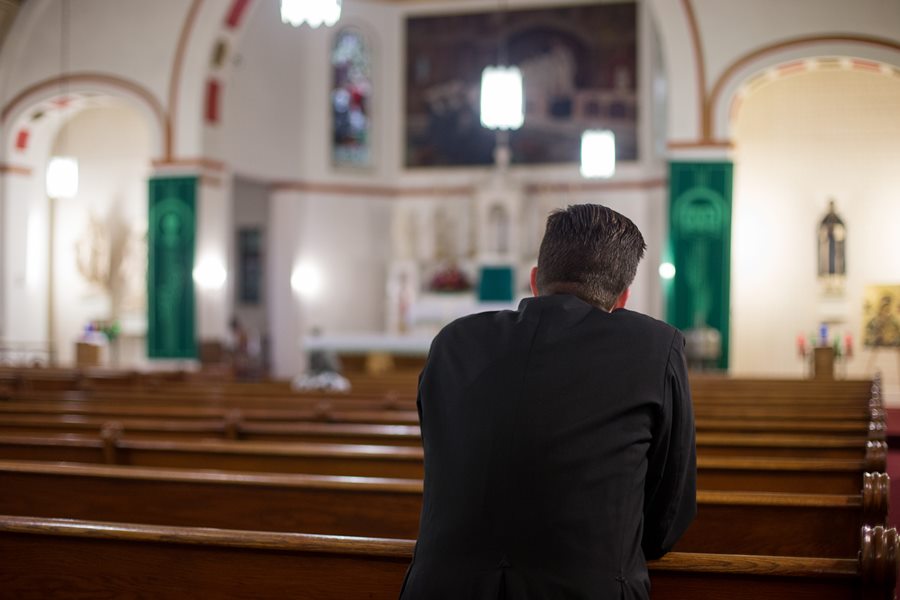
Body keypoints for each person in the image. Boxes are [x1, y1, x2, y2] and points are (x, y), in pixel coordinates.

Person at [399, 204, 696, 600]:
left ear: (535, 280)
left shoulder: (452, 343)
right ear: (622, 298)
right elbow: (669, 511)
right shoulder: (655, 347)